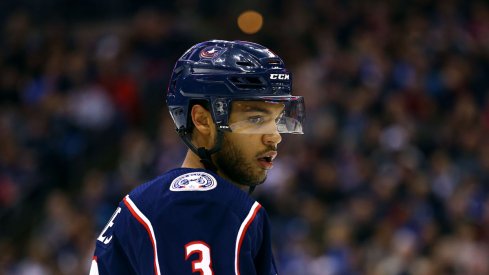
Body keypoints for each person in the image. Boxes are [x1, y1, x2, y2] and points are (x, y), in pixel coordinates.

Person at [89, 40, 305, 275]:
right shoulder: (201, 203)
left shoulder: (154, 202)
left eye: (276, 119)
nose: (275, 137)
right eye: (255, 119)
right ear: (202, 120)